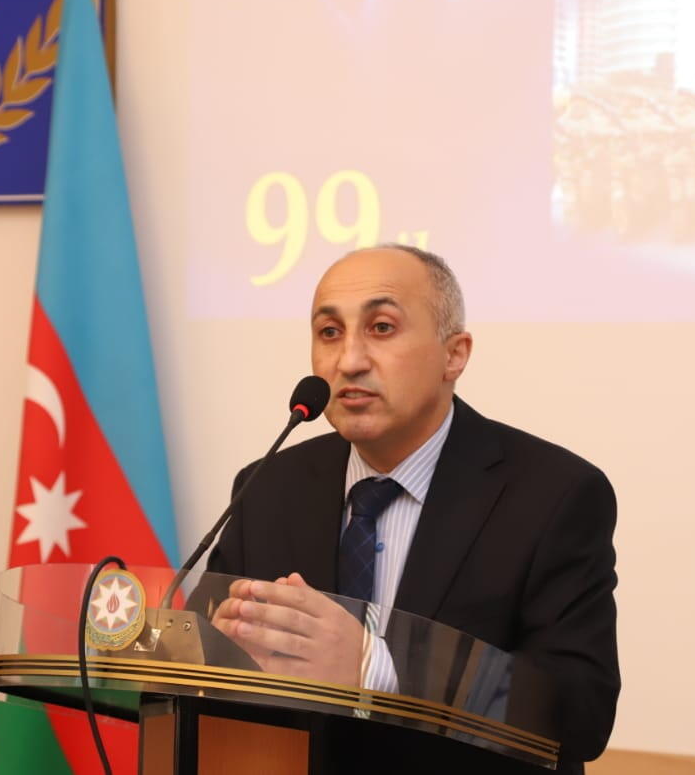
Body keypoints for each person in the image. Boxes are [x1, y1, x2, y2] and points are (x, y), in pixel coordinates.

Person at [206, 245, 619, 772]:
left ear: (455, 355)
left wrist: (376, 668)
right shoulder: (268, 486)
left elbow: (580, 713)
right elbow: (206, 663)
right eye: (329, 332)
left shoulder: (553, 494)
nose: (348, 361)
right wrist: (223, 649)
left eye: (381, 328)